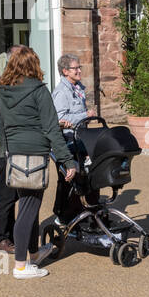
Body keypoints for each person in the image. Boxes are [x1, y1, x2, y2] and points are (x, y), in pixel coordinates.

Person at [0, 46, 78, 280]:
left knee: (28, 206)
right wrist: (67, 160)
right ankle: (21, 266)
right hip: (36, 154)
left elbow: (0, 128)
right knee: (29, 209)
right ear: (33, 65)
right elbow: (52, 129)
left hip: (14, 154)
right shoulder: (40, 91)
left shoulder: (3, 91)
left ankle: (33, 253)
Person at [0, 45, 24, 253]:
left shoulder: (19, 85)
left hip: (16, 149)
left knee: (14, 194)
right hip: (8, 150)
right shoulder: (6, 88)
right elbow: (3, 124)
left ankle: (9, 234)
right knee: (5, 195)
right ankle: (0, 238)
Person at [50, 54, 90, 218]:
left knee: (84, 177)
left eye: (80, 67)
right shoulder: (61, 93)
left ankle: (78, 211)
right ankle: (62, 215)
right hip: (66, 142)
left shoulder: (79, 88)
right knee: (67, 180)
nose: (79, 70)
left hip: (80, 139)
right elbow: (59, 119)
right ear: (65, 71)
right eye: (76, 68)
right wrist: (85, 115)